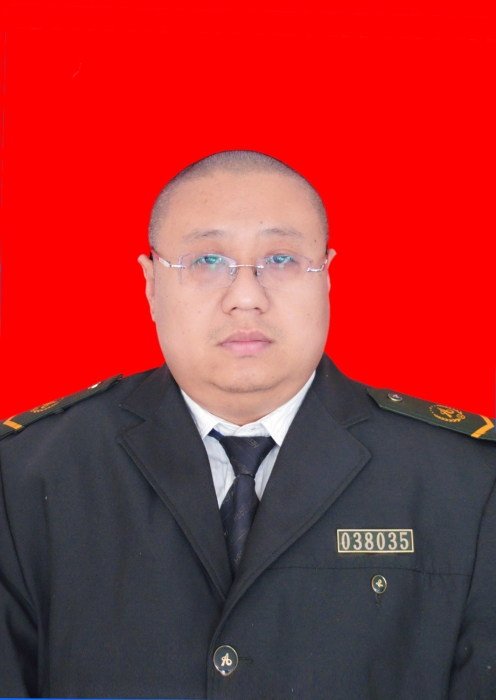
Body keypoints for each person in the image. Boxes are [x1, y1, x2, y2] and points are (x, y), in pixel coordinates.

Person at [0, 150, 495, 700]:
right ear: (151, 285)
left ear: (327, 278)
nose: (245, 298)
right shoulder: (26, 477)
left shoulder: (467, 483)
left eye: (281, 260)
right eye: (206, 261)